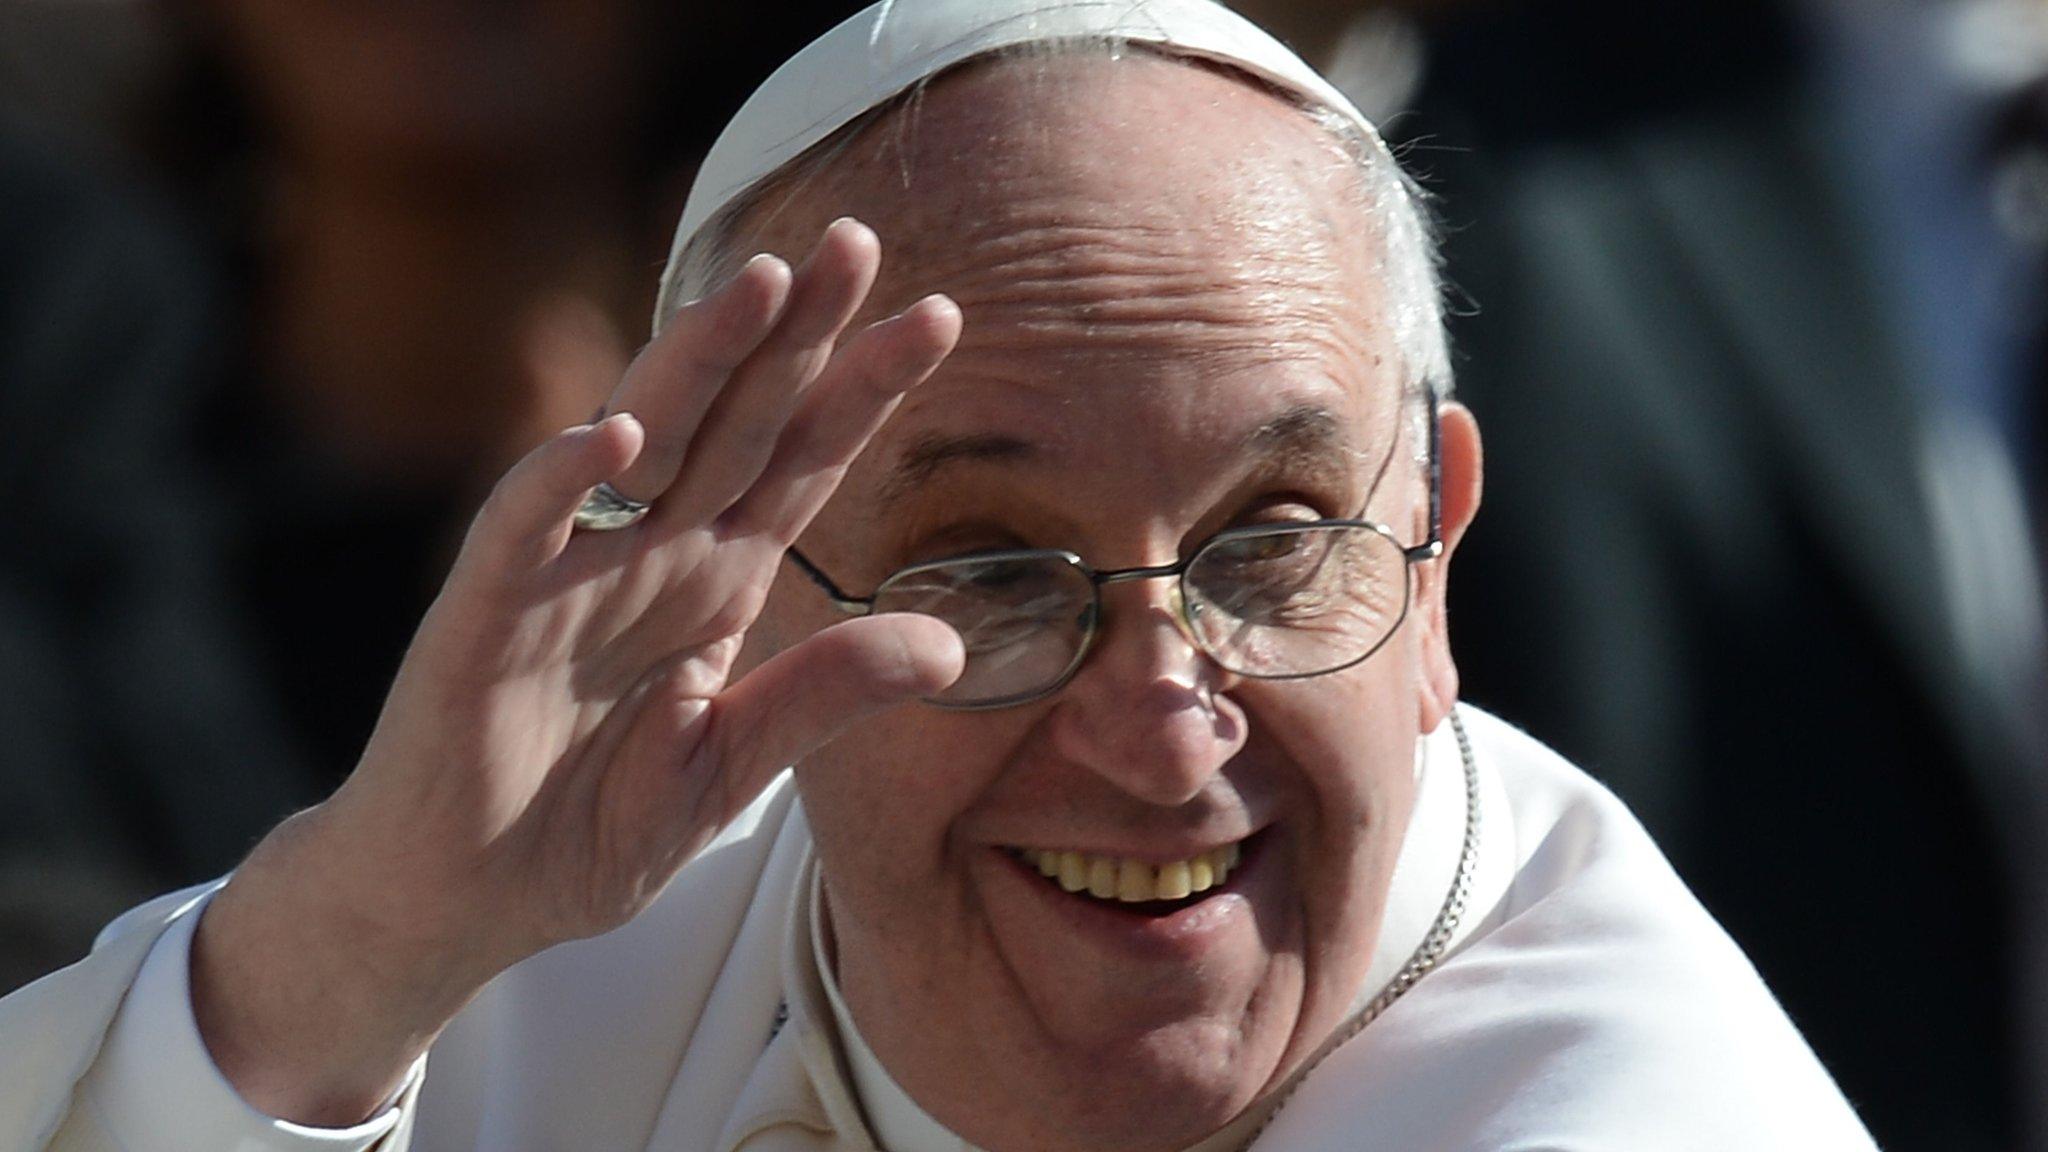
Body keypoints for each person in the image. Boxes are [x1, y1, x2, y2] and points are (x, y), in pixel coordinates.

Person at [0, 1, 1880, 1148]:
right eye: (990, 568)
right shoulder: (568, 949)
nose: (1160, 721)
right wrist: (349, 951)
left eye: (1271, 541)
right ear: (735, 594)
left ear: (1439, 551)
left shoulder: (1619, 1113)